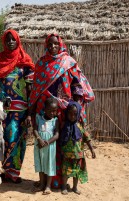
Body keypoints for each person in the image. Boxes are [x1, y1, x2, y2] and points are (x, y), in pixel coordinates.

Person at [28, 33, 95, 189]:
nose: (52, 47)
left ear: (60, 45)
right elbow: (36, 88)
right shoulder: (41, 63)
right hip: (45, 110)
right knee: (46, 147)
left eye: (55, 44)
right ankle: (46, 179)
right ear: (46, 45)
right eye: (50, 44)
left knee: (61, 143)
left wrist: (76, 103)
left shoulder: (69, 62)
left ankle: (59, 181)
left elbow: (78, 84)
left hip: (63, 110)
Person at [0, 29, 35, 183]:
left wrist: (29, 113)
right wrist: (0, 100)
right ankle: (5, 171)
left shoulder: (25, 61)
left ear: (18, 41)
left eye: (13, 39)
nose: (10, 42)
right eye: (7, 40)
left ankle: (13, 173)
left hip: (21, 111)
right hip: (2, 109)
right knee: (4, 139)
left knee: (16, 139)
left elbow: (30, 89)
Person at [59, 101, 96, 195]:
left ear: (78, 114)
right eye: (70, 114)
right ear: (66, 113)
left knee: (76, 173)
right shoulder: (64, 126)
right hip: (66, 155)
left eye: (75, 114)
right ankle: (64, 187)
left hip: (78, 155)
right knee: (65, 172)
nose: (72, 116)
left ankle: (75, 187)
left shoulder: (79, 126)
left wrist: (92, 150)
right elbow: (60, 139)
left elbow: (87, 138)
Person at [32, 97, 59, 195]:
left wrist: (47, 142)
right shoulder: (39, 118)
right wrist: (39, 139)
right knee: (40, 165)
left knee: (49, 165)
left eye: (54, 111)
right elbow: (34, 130)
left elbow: (56, 135)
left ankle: (48, 186)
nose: (52, 113)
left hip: (50, 148)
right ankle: (41, 184)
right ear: (45, 109)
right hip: (39, 146)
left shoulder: (55, 120)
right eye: (50, 111)